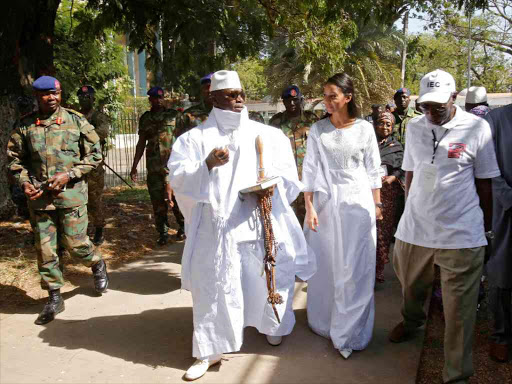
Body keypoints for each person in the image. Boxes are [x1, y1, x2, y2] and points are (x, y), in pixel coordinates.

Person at [169, 70, 314, 381]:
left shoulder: (270, 135)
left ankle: (271, 326)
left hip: (260, 221)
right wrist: (206, 164)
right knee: (214, 287)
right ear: (213, 97)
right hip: (217, 227)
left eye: (241, 93)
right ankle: (209, 349)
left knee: (265, 279)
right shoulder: (194, 139)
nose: (238, 99)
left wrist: (271, 187)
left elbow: (290, 180)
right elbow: (179, 179)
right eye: (230, 94)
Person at [389, 69, 500, 384]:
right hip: (415, 230)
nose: (431, 112)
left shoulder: (477, 128)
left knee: (459, 313)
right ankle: (413, 322)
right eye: (425, 105)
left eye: (438, 105)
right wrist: (410, 210)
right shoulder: (414, 128)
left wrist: (485, 230)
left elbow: (485, 185)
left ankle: (457, 375)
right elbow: (410, 172)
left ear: (454, 98)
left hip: (460, 234)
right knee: (410, 287)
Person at [7, 76, 109, 325]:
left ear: (61, 94)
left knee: (76, 245)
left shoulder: (76, 121)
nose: (51, 98)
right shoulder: (25, 126)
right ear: (37, 96)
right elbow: (13, 160)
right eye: (45, 94)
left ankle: (96, 263)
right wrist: (25, 183)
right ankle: (54, 296)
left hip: (71, 195)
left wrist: (70, 174)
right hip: (40, 199)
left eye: (56, 93)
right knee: (46, 250)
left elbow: (95, 153)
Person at [303, 73, 383, 360]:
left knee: (356, 266)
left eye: (332, 95)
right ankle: (326, 321)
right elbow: (309, 170)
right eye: (324, 95)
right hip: (326, 205)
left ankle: (351, 330)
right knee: (328, 264)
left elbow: (374, 169)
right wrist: (309, 207)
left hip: (358, 203)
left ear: (347, 98)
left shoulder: (364, 129)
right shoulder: (317, 129)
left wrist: (377, 205)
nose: (326, 101)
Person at [130, 86, 184, 245]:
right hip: (153, 167)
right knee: (157, 202)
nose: (158, 100)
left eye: (161, 97)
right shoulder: (145, 118)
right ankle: (163, 232)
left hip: (173, 166)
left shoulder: (174, 116)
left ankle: (183, 227)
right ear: (150, 100)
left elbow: (183, 139)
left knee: (176, 199)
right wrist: (134, 166)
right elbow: (141, 143)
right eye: (154, 98)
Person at [484, 104, 512, 362]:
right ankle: (501, 335)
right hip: (508, 210)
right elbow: (489, 168)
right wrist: (508, 198)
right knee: (503, 273)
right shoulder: (497, 119)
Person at [269, 85, 318, 223]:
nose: (291, 103)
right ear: (283, 102)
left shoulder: (312, 120)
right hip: (285, 181)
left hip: (308, 180)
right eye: (287, 100)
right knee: (287, 221)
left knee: (310, 220)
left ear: (300, 100)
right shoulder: (275, 122)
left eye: (295, 100)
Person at [373, 111, 404, 283]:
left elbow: (401, 168)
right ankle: (367, 268)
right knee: (369, 231)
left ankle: (378, 271)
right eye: (381, 123)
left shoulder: (396, 146)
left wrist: (392, 177)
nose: (384, 127)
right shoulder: (368, 143)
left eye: (388, 124)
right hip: (368, 191)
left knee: (383, 233)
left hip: (388, 194)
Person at [77, 85, 111, 245]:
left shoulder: (99, 117)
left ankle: (99, 229)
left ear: (93, 99)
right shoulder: (74, 116)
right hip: (75, 165)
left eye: (88, 97)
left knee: (94, 199)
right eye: (82, 97)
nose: (85, 100)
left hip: (93, 166)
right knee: (76, 200)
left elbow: (101, 134)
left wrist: (79, 137)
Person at [174, 73, 213, 139]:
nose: (210, 91)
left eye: (213, 87)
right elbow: (179, 140)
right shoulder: (188, 115)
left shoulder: (228, 113)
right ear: (202, 90)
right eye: (207, 87)